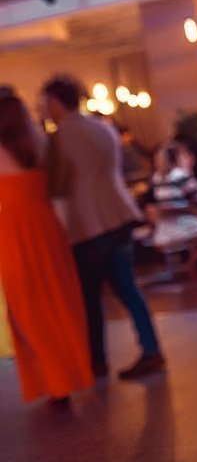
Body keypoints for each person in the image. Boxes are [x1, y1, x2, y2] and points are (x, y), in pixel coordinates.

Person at [42, 76, 165, 380]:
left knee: (90, 297)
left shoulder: (60, 137)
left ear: (55, 102)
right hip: (120, 213)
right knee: (128, 288)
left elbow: (57, 185)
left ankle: (96, 361)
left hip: (88, 223)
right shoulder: (102, 127)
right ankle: (151, 348)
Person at [0, 94, 94, 403]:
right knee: (57, 301)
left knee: (28, 309)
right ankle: (68, 373)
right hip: (46, 226)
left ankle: (54, 379)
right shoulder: (39, 143)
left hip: (13, 232)